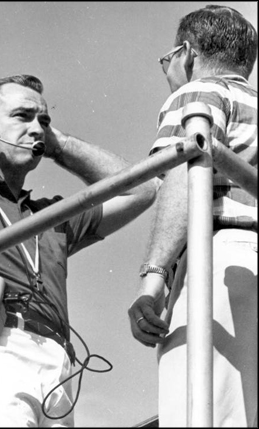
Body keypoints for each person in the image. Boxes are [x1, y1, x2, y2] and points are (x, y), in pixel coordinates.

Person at [0, 74, 158, 427]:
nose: (38, 128)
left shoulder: (49, 215)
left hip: (57, 368)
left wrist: (57, 144)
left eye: (44, 120)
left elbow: (141, 190)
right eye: (22, 116)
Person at [128, 5, 257, 428]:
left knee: (201, 410)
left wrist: (153, 278)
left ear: (186, 52)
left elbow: (185, 177)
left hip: (223, 261)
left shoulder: (199, 93)